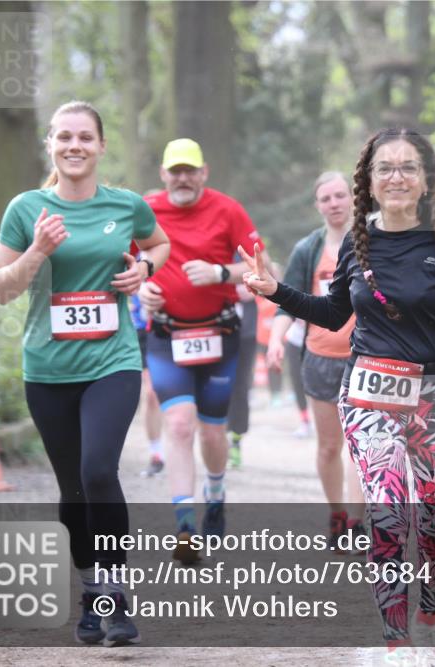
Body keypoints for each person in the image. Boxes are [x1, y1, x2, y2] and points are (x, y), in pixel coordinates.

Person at [241, 127, 435, 665]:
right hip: (370, 391)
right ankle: (395, 638)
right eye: (385, 168)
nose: (397, 177)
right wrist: (278, 294)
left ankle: (430, 604)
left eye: (409, 167)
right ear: (369, 180)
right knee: (386, 511)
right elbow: (336, 313)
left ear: (428, 179)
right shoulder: (357, 242)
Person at [0, 100, 170, 646]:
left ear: (101, 146)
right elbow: (1, 289)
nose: (74, 146)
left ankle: (115, 597)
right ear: (50, 144)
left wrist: (144, 267)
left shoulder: (127, 205)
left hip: (112, 360)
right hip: (47, 368)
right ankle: (91, 592)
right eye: (64, 137)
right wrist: (37, 252)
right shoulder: (27, 209)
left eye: (85, 137)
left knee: (97, 472)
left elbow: (158, 242)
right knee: (71, 488)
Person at [138, 138, 267, 564]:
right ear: (163, 174)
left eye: (189, 170)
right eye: (175, 170)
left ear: (204, 172)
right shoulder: (145, 210)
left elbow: (264, 269)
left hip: (219, 335)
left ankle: (215, 491)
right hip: (166, 336)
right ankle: (185, 524)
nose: (182, 178)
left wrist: (218, 272)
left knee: (213, 431)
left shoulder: (227, 210)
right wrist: (142, 290)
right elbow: (121, 266)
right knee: (177, 424)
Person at [266, 171, 366, 551]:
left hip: (365, 358)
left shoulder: (370, 243)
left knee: (361, 443)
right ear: (318, 206)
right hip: (321, 359)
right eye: (326, 198)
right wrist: (276, 341)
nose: (335, 203)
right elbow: (284, 302)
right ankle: (337, 514)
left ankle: (357, 523)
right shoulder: (308, 250)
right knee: (329, 447)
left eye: (341, 195)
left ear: (352, 198)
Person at [129, 291, 165, 477]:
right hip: (139, 328)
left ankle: (182, 444)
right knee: (151, 393)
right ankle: (156, 453)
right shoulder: (133, 260)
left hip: (169, 325)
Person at [225, 280, 257, 468]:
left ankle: (235, 441)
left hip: (245, 331)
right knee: (215, 385)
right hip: (215, 327)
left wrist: (257, 288)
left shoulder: (250, 252)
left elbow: (270, 275)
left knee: (239, 387)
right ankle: (216, 440)